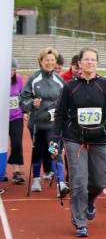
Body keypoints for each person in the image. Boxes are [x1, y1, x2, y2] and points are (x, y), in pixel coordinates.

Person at [50, 47, 106, 237]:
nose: (90, 62)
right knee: (79, 181)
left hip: (100, 138)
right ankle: (80, 221)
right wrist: (54, 139)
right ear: (80, 63)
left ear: (97, 63)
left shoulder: (105, 85)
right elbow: (59, 114)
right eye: (86, 59)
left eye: (93, 60)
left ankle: (90, 201)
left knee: (99, 182)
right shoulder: (70, 87)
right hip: (75, 139)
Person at [19, 47, 67, 193]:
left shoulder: (59, 80)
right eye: (47, 60)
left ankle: (61, 183)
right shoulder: (34, 79)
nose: (50, 62)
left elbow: (66, 100)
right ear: (41, 61)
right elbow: (23, 101)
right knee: (38, 151)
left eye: (52, 60)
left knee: (54, 150)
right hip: (37, 124)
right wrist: (32, 103)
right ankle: (35, 179)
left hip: (53, 125)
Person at [9, 58, 25, 184]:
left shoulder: (18, 79)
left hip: (16, 116)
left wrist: (25, 112)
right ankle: (1, 172)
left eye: (14, 70)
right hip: (2, 118)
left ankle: (16, 172)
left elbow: (23, 97)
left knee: (17, 143)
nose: (12, 72)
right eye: (10, 70)